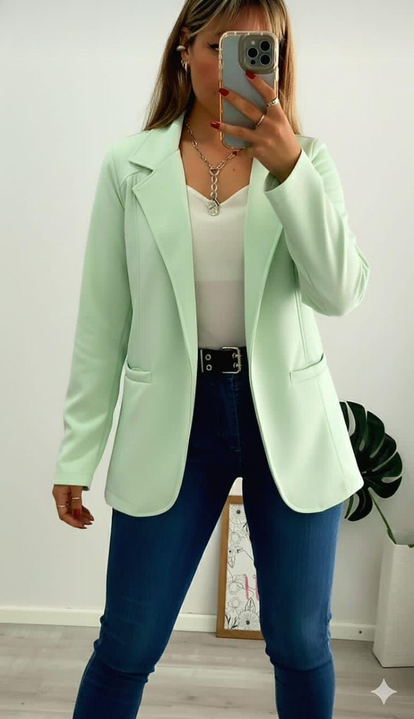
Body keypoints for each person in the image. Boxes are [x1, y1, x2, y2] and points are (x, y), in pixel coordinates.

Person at [52, 1, 370, 717]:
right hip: (175, 416)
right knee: (127, 644)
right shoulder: (130, 166)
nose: (241, 63)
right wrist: (78, 453)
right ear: (185, 50)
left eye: (262, 46)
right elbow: (103, 320)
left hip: (287, 418)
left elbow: (339, 292)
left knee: (301, 643)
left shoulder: (308, 160)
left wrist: (289, 171)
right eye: (224, 44)